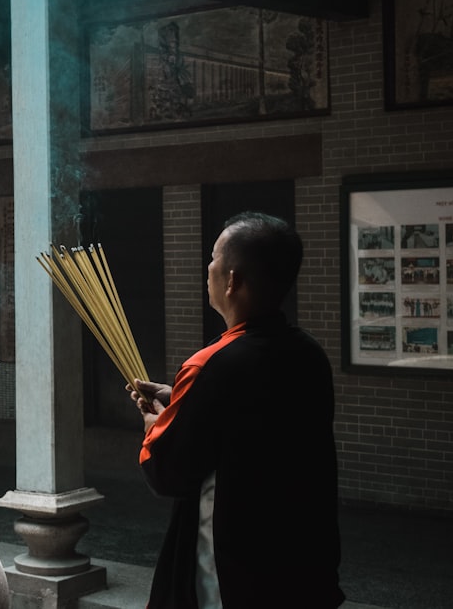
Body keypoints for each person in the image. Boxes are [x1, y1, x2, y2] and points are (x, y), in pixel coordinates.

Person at [129, 212, 344, 609]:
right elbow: (253, 417)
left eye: (213, 257)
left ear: (231, 280)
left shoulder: (209, 365)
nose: (206, 268)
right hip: (303, 562)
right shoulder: (308, 354)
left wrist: (155, 424)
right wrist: (182, 396)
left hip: (234, 572)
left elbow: (166, 470)